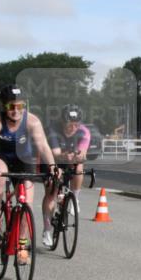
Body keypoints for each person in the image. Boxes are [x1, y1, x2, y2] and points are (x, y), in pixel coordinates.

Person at [0, 85, 59, 262]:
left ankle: (22, 244)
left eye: (20, 106)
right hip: (1, 158)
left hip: (24, 160)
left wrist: (52, 167)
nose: (16, 111)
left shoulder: (32, 121)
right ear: (4, 106)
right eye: (12, 106)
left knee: (27, 201)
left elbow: (43, 146)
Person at [45, 104, 91, 246]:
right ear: (62, 122)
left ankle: (75, 198)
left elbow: (82, 154)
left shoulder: (84, 132)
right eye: (69, 125)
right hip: (54, 161)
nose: (73, 128)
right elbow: (56, 154)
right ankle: (47, 230)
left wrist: (76, 156)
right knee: (52, 190)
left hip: (70, 160)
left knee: (79, 165)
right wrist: (66, 156)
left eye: (76, 125)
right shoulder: (53, 130)